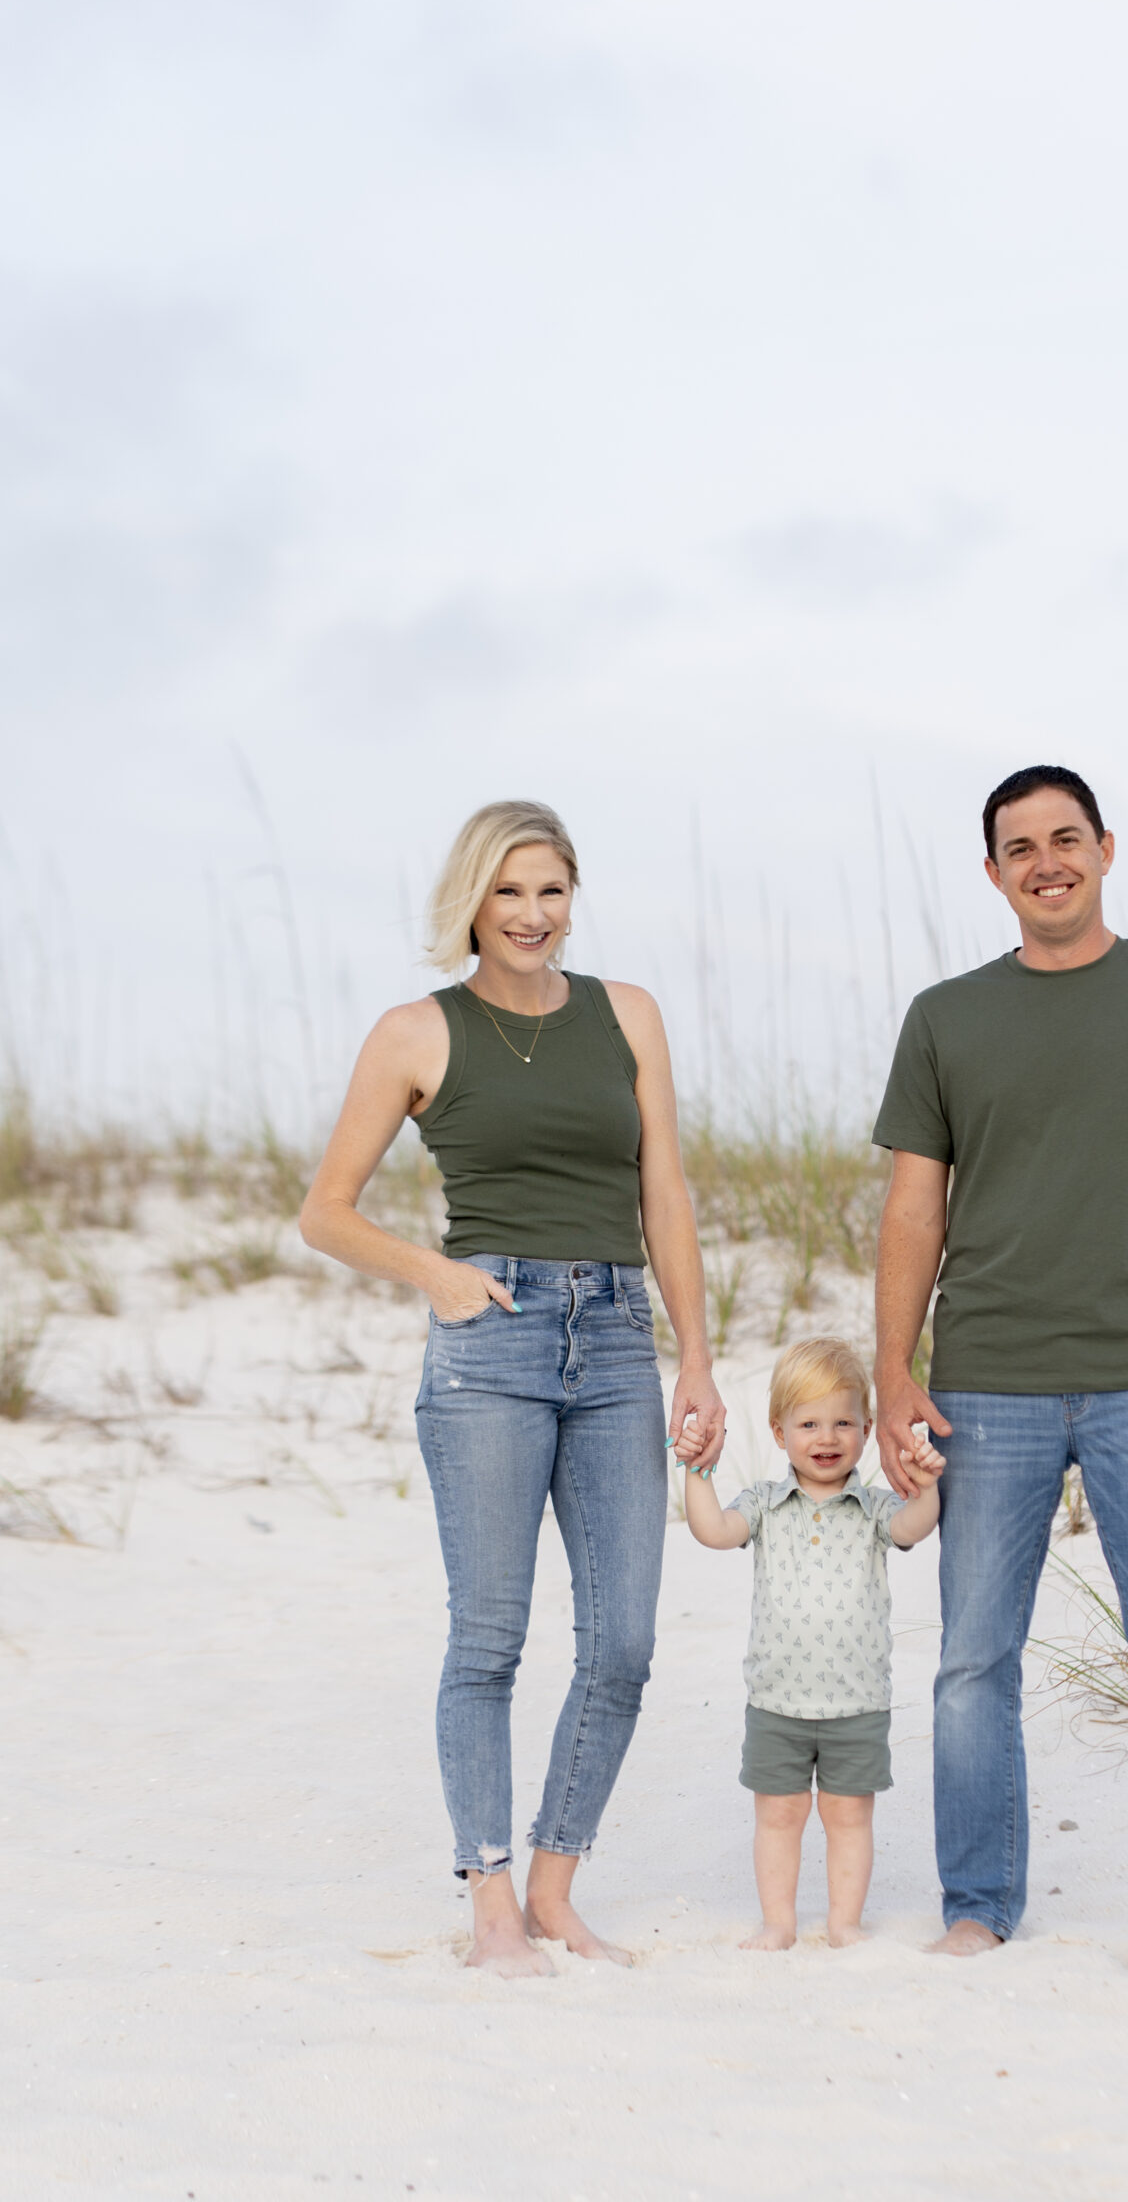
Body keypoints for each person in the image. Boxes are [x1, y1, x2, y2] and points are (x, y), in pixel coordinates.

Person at [299, 798, 724, 1975]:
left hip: (620, 1336)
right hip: (491, 1339)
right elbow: (323, 1212)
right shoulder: (413, 1033)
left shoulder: (626, 1014)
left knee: (624, 1640)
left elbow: (668, 1196)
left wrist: (695, 1354)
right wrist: (433, 1273)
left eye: (550, 891)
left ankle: (555, 1885)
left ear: (571, 897)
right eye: (508, 893)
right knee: (488, 1638)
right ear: (472, 903)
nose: (532, 916)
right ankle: (489, 1900)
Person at [870, 764, 1128, 1990]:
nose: (1046, 861)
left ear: (1104, 848)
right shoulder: (945, 1018)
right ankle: (978, 1903)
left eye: (1065, 837)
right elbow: (910, 1212)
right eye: (1018, 846)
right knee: (971, 1661)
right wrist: (893, 1371)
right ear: (992, 873)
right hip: (985, 1375)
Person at [676, 1337, 943, 1950]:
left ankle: (844, 1922)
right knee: (779, 1817)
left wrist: (925, 1486)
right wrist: (696, 1473)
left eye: (844, 1422)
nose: (827, 1437)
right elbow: (713, 1531)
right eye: (809, 1423)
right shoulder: (767, 1504)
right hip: (777, 1702)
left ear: (868, 1429)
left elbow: (913, 1528)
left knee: (849, 1819)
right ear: (779, 1432)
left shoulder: (875, 1507)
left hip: (856, 1703)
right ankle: (779, 1923)